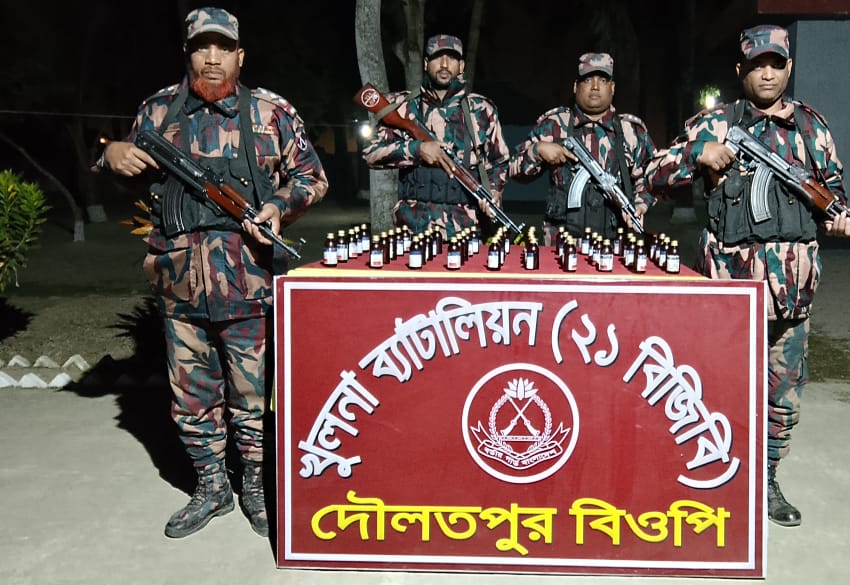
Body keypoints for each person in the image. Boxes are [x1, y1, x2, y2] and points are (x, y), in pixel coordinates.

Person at [97, 7, 327, 538]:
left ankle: (255, 486)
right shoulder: (157, 112)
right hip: (179, 285)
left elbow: (312, 177)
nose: (213, 58)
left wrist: (278, 208)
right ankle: (211, 487)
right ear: (188, 53)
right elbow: (123, 167)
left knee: (253, 397)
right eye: (202, 46)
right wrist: (112, 155)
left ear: (240, 56)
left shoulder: (270, 112)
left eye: (224, 47)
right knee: (191, 398)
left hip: (249, 284)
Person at [644, 25, 850, 527]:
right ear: (740, 70)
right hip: (729, 295)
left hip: (792, 295)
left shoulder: (811, 128)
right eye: (757, 64)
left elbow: (834, 192)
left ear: (789, 68)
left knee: (782, 397)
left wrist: (841, 218)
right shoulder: (715, 123)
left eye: (776, 64)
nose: (767, 74)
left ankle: (767, 479)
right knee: (714, 390)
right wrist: (697, 154)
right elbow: (652, 174)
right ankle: (712, 477)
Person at [361, 34, 509, 239]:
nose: (445, 64)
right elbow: (370, 153)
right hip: (411, 229)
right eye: (437, 57)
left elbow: (499, 161)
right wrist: (417, 150)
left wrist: (493, 192)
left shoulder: (482, 109)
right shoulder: (402, 106)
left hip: (465, 230)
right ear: (425, 63)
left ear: (461, 66)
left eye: (452, 58)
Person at [510, 53, 656, 246]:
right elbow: (513, 169)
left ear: (612, 88)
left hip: (613, 247)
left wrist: (640, 204)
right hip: (560, 246)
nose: (595, 86)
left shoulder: (631, 131)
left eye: (602, 80)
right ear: (575, 87)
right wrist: (537, 151)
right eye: (587, 80)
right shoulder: (554, 125)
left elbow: (652, 176)